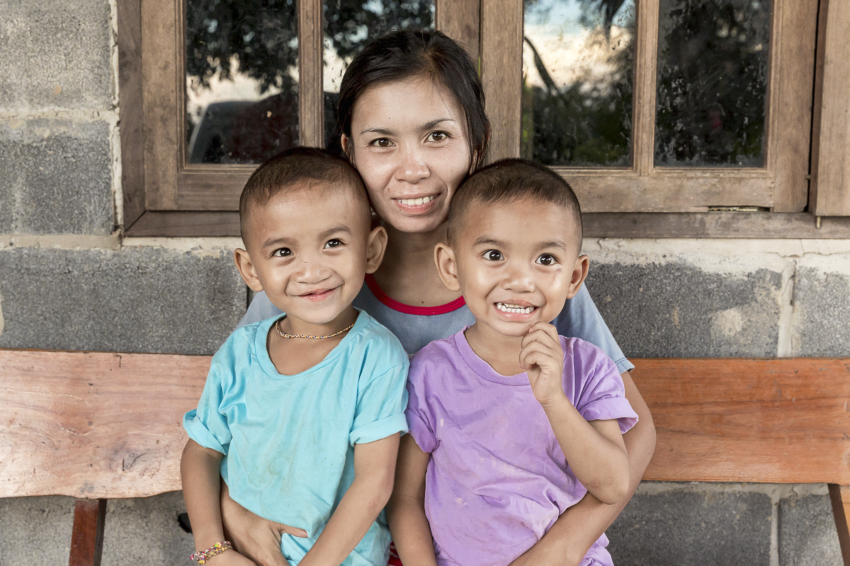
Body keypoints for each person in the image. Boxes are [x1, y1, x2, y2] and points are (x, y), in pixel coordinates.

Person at [224, 30, 656, 566]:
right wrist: (228, 522)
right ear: (349, 151)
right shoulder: (310, 281)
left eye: (437, 137)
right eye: (382, 142)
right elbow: (238, 416)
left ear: (477, 143)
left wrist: (563, 548)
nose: (413, 169)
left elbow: (638, 433)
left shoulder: (527, 283)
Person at [388, 159, 638, 566]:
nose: (521, 280)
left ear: (574, 277)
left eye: (545, 260)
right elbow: (404, 499)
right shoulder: (431, 373)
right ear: (451, 267)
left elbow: (613, 485)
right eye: (493, 254)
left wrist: (554, 399)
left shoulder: (589, 368)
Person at [181, 148, 410, 566]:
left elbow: (375, 483)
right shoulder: (240, 353)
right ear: (251, 269)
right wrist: (212, 551)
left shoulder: (375, 357)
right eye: (284, 252)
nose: (311, 270)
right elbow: (202, 452)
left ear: (372, 250)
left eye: (334, 243)